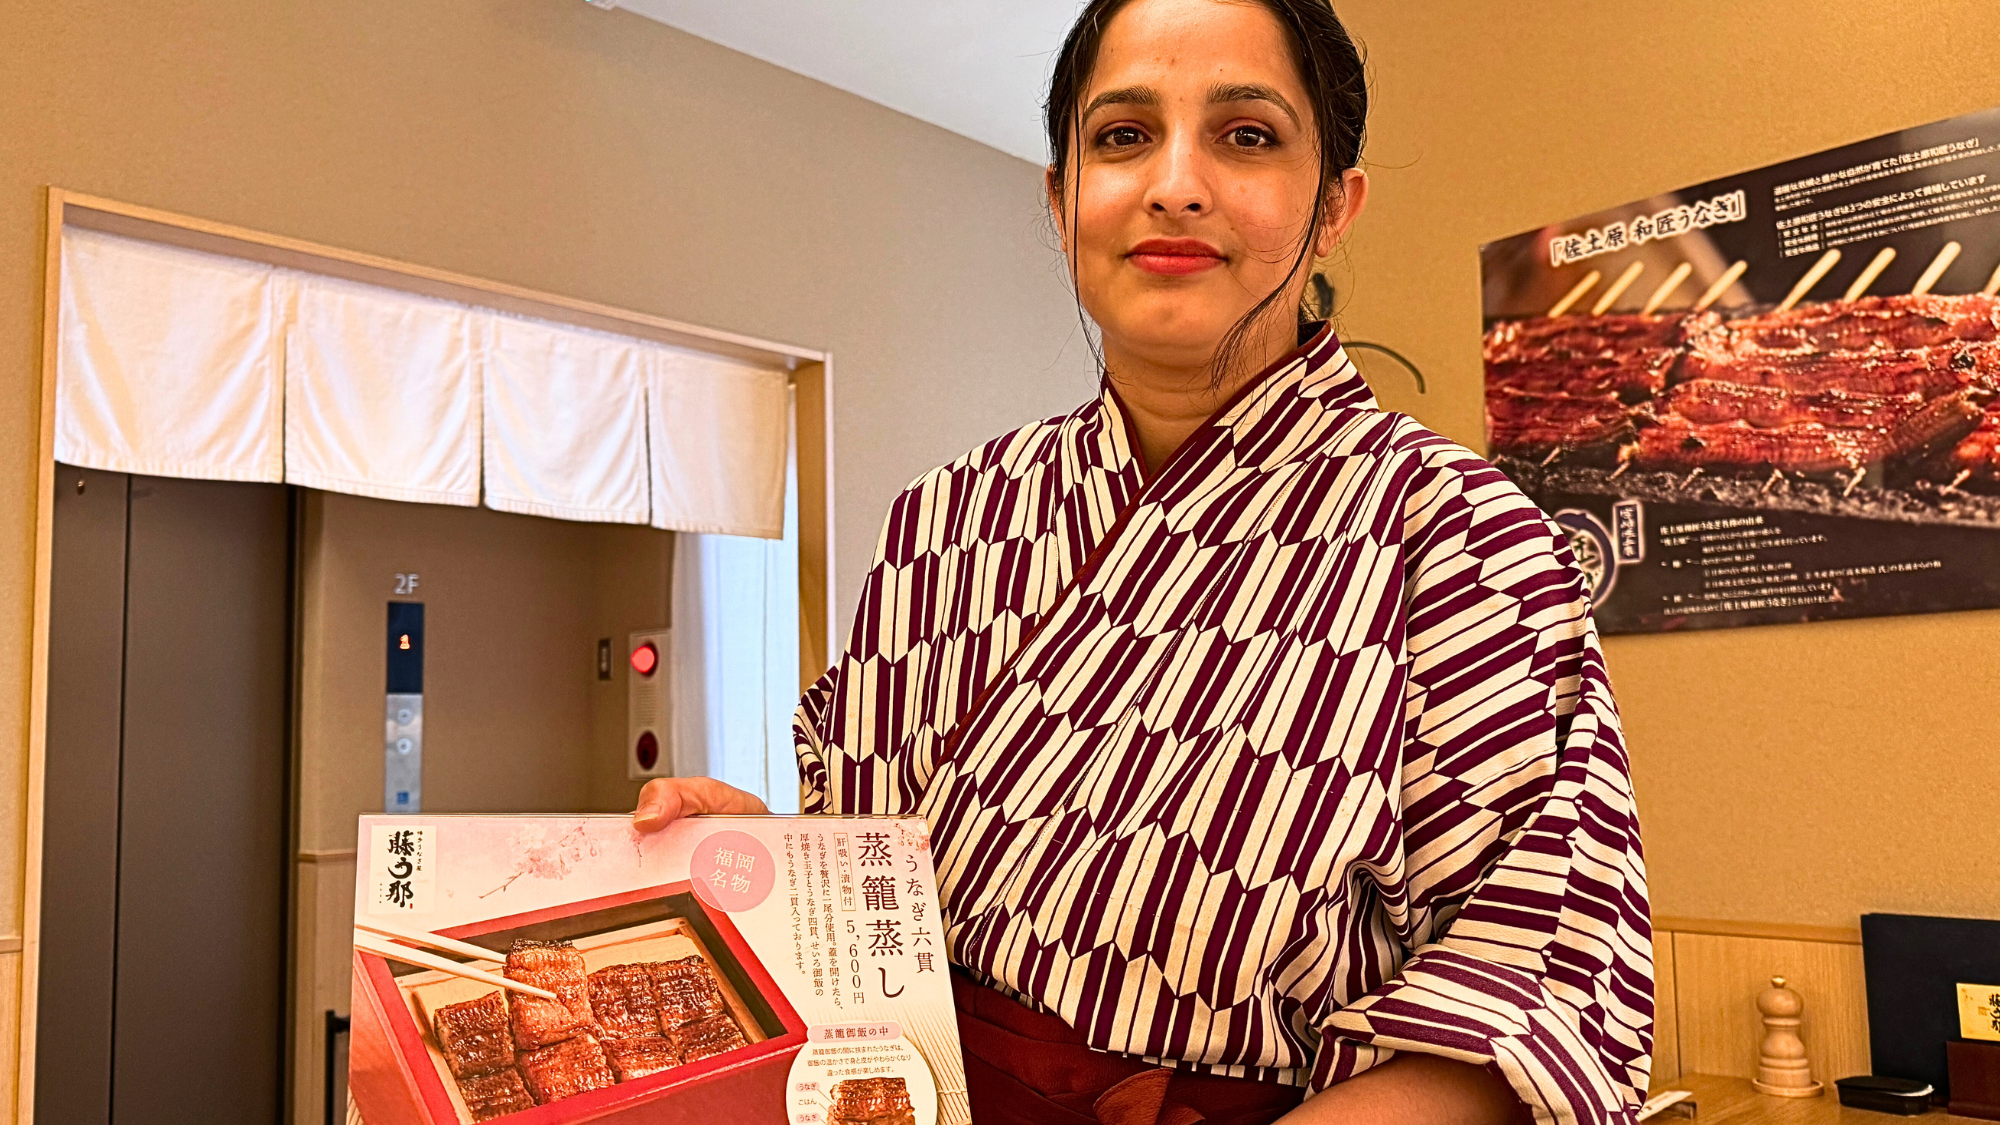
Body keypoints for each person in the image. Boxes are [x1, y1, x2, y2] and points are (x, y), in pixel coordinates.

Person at [633, 0, 1652, 1121]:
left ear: (1333, 207)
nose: (1174, 185)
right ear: (1060, 196)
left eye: (1246, 135)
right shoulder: (944, 517)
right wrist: (769, 870)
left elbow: (1531, 1001)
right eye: (1122, 136)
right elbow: (878, 890)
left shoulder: (1458, 535)